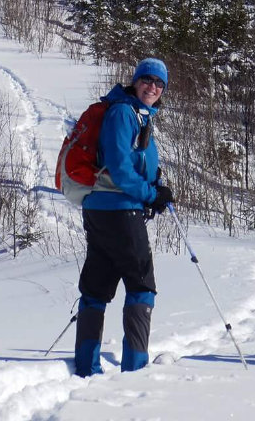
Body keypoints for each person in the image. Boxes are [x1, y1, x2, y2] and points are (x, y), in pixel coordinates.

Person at [74, 58, 175, 377]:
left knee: (96, 287)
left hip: (103, 210)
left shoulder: (138, 115)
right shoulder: (122, 112)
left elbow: (134, 163)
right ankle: (136, 369)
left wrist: (154, 185)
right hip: (120, 209)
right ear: (135, 81)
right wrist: (150, 195)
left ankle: (86, 367)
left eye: (159, 84)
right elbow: (119, 168)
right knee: (141, 284)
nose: (152, 87)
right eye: (147, 80)